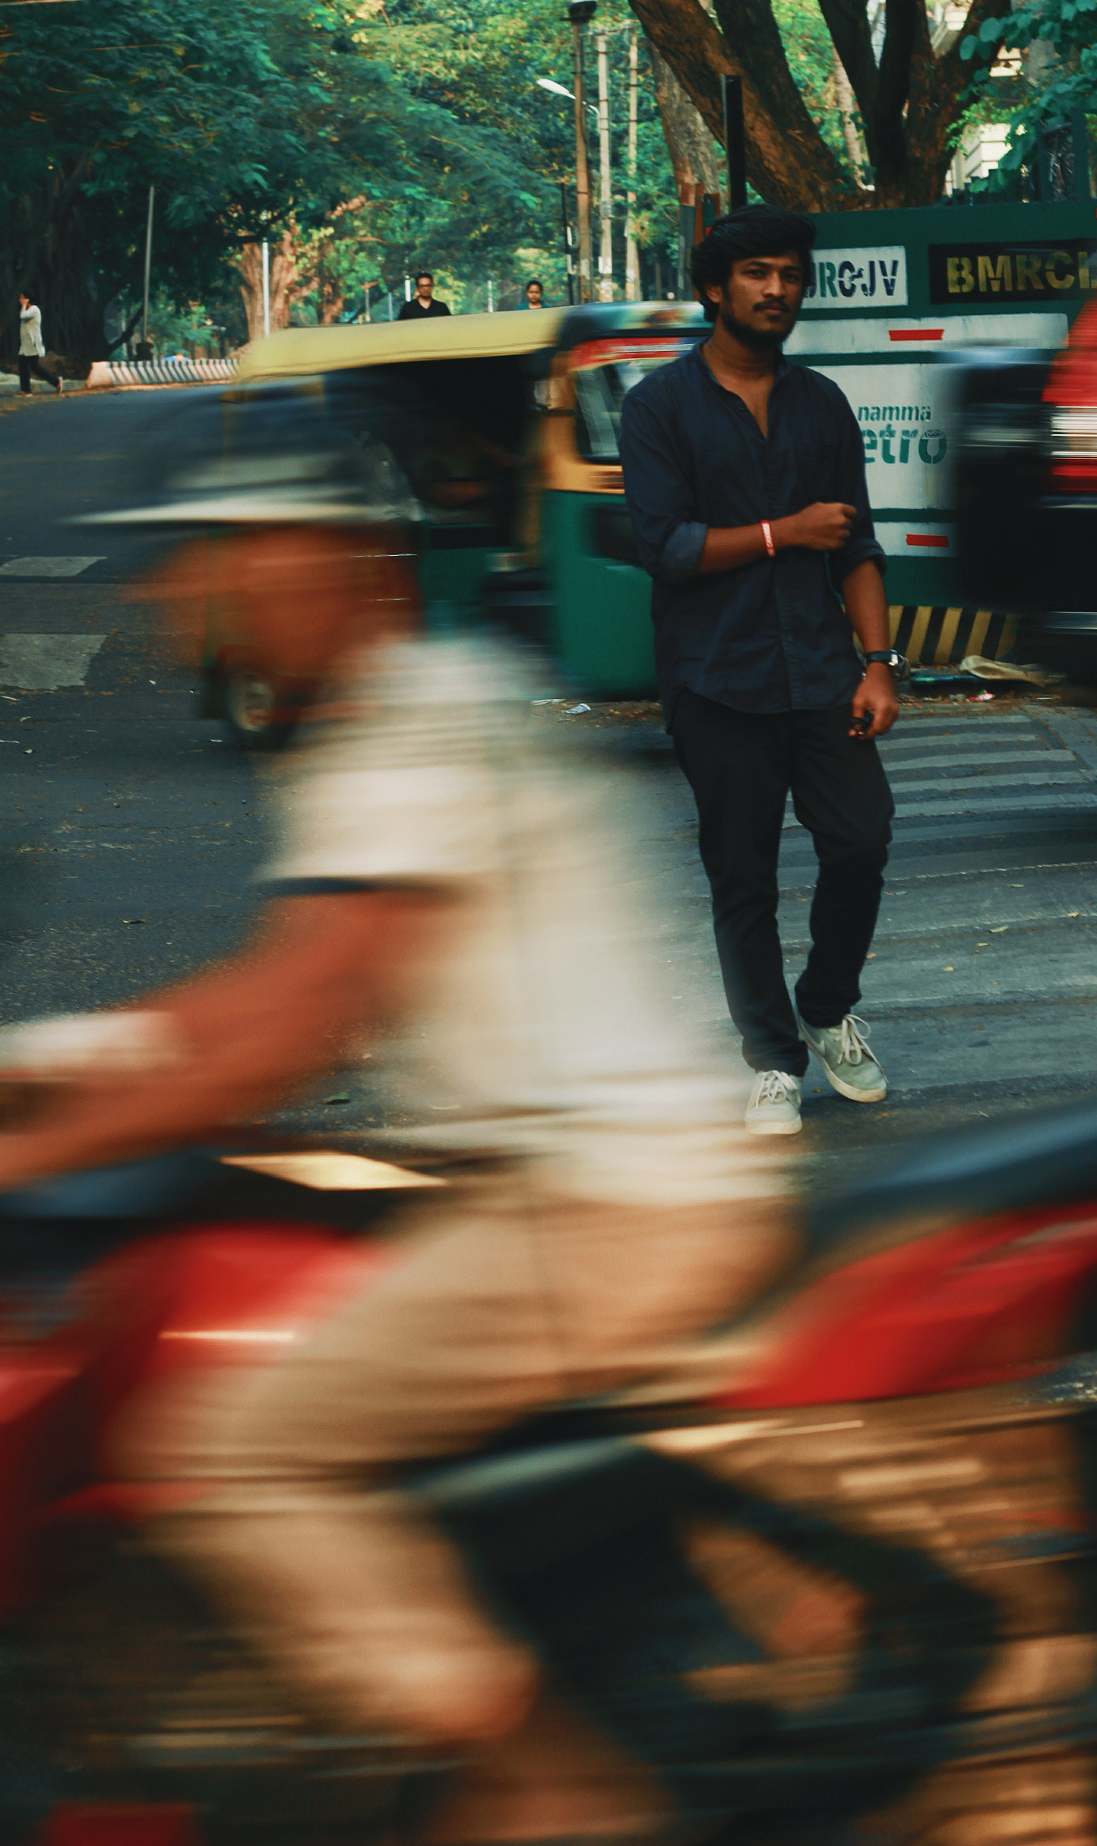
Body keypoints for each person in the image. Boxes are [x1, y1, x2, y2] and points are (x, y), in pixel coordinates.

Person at [0, 466, 793, 1842]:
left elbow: (286, 1032)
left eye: (241, 561)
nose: (206, 595)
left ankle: (545, 1786)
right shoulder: (408, 711)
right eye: (201, 568)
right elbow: (265, 987)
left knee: (229, 1455)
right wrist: (45, 1057)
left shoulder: (411, 731)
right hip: (556, 1181)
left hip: (602, 1203)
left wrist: (20, 1159)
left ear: (349, 566)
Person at [620, 205, 901, 1138]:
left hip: (822, 671)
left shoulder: (822, 402)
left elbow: (856, 544)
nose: (778, 288)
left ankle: (825, 1006)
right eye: (757, 274)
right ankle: (772, 1060)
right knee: (740, 878)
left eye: (789, 273)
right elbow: (664, 547)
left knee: (860, 839)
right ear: (714, 289)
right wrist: (782, 533)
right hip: (715, 679)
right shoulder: (658, 406)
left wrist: (878, 665)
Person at [16, 289, 62, 396]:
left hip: (32, 344)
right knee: (23, 367)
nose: (20, 300)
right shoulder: (27, 310)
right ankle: (25, 390)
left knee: (35, 367)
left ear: (28, 299)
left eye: (22, 297)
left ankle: (56, 382)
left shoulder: (34, 309)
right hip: (25, 345)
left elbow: (22, 316)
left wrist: (23, 306)